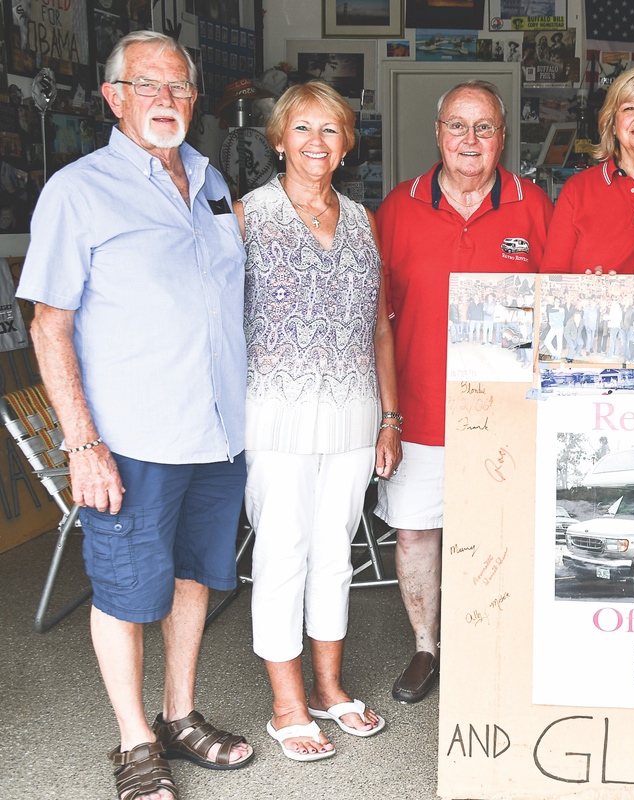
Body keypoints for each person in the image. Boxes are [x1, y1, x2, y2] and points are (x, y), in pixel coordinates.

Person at [17, 30, 253, 799]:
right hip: (129, 440)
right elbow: (48, 324)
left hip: (217, 436)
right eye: (147, 85)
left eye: (179, 88)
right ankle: (134, 742)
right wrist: (81, 443)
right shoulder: (76, 191)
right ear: (114, 97)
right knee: (124, 591)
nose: (166, 100)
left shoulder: (214, 181)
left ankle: (180, 716)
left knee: (194, 580)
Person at [375, 80, 553, 705]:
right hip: (420, 408)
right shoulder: (398, 206)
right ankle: (428, 647)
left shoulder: (535, 206)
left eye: (484, 128)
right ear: (438, 133)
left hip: (509, 413)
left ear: (503, 137)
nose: (470, 140)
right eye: (458, 126)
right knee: (418, 532)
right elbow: (375, 319)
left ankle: (495, 642)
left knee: (510, 529)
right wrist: (387, 415)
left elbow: (555, 308)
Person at [237, 81, 396, 761]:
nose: (315, 143)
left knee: (336, 552)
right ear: (278, 139)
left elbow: (380, 329)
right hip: (275, 412)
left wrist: (390, 416)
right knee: (283, 554)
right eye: (301, 129)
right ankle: (286, 704)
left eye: (330, 130)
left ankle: (330, 688)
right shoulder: (247, 216)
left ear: (346, 143)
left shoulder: (363, 219)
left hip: (355, 412)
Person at [541, 64, 634, 273]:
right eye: (629, 108)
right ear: (613, 125)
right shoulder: (578, 190)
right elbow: (551, 279)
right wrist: (587, 291)